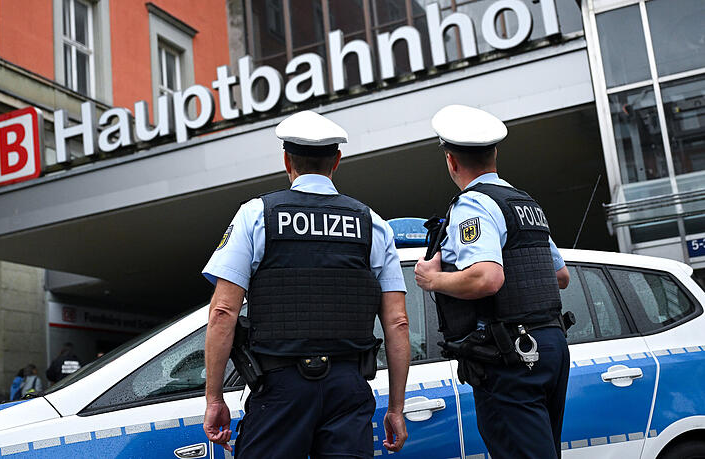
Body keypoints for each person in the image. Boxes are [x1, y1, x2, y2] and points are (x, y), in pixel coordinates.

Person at [202, 110, 411, 458]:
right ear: (337, 161)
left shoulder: (257, 215)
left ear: (287, 160)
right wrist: (395, 408)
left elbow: (223, 311)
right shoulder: (372, 223)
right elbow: (398, 322)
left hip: (280, 388)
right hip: (349, 388)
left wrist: (214, 398)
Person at [414, 105, 571, 459]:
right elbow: (560, 276)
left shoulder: (474, 205)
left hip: (510, 353)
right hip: (550, 344)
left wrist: (433, 279)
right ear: (495, 154)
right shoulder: (523, 202)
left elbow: (488, 278)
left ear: (451, 162)